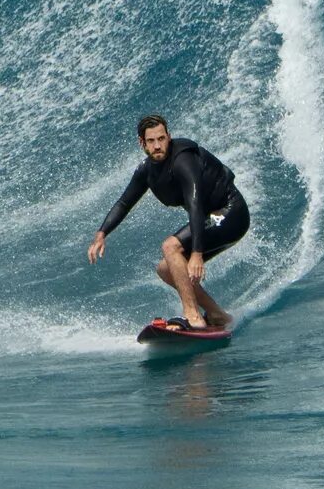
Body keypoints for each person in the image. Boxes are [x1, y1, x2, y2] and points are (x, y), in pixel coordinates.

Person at [86, 113, 248, 334]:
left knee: (171, 246)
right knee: (166, 269)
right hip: (209, 218)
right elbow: (124, 202)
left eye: (162, 139)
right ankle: (217, 314)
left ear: (168, 137)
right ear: (142, 143)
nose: (158, 145)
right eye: (151, 141)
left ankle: (193, 316)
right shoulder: (147, 170)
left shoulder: (183, 160)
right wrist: (102, 233)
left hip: (232, 213)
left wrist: (197, 254)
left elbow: (195, 204)